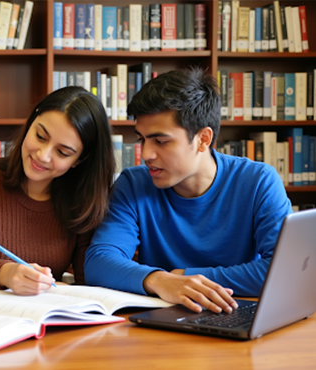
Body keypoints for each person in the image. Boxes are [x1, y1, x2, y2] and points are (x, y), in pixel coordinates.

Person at [84, 67, 292, 314]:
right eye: (142, 139)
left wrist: (186, 277)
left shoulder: (258, 181)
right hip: (165, 321)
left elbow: (283, 271)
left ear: (203, 139)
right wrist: (161, 281)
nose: (146, 155)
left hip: (238, 314)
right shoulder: (133, 184)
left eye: (161, 142)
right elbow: (99, 262)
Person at [0, 86, 115, 295]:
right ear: (30, 124)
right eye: (40, 136)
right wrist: (5, 273)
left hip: (47, 321)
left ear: (79, 160)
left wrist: (64, 289)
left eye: (62, 152)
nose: (43, 155)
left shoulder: (82, 203)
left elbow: (91, 287)